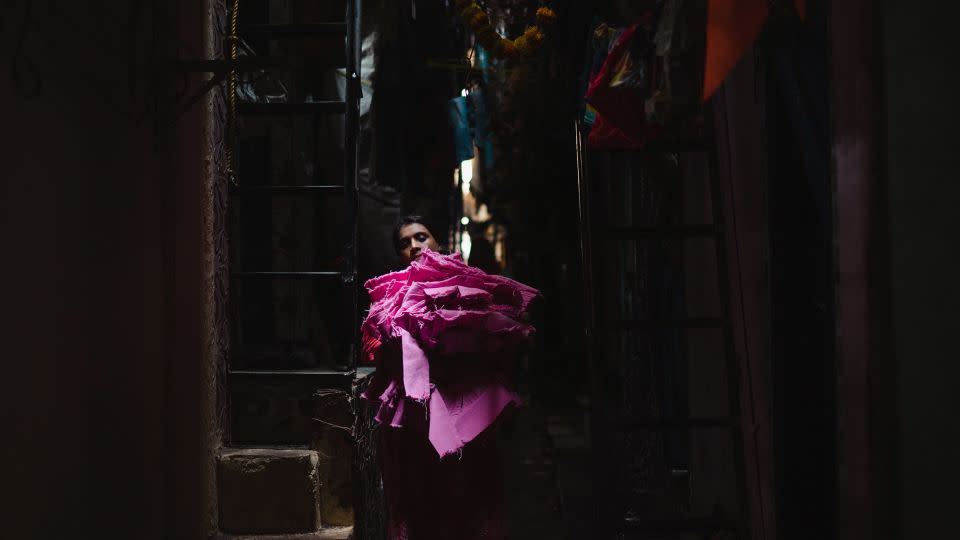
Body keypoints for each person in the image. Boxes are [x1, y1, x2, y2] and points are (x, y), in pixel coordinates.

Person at [362, 215, 538, 540]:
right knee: (421, 508)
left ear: (437, 242)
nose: (414, 246)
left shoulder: (469, 286)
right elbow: (377, 354)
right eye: (404, 243)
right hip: (414, 426)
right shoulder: (389, 299)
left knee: (470, 505)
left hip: (465, 418)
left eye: (421, 237)